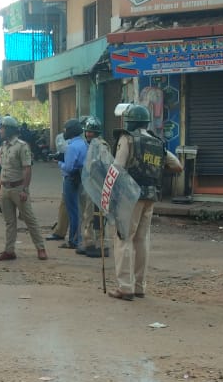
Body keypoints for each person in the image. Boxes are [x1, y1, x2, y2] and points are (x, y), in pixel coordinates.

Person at [107, 104, 182, 300]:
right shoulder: (157, 142)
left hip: (130, 196)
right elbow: (177, 166)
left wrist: (107, 195)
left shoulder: (127, 138)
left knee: (123, 239)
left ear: (130, 122)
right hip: (151, 195)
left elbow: (117, 167)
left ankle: (125, 287)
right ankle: (139, 286)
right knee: (141, 240)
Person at [0, 116, 48, 262]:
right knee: (9, 222)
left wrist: (24, 189)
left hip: (18, 189)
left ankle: (41, 248)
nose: (0, 130)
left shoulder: (22, 146)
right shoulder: (3, 146)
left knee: (29, 219)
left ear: (9, 129)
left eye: (2, 127)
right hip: (5, 188)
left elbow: (27, 169)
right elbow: (3, 169)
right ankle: (9, 251)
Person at [78, 117, 108, 258]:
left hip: (98, 186)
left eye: (91, 132)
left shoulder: (101, 145)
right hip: (90, 185)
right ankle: (89, 243)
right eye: (87, 131)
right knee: (88, 215)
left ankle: (99, 244)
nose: (88, 134)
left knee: (97, 217)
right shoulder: (90, 144)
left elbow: (105, 165)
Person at [59, 117, 87, 250]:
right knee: (78, 210)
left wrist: (59, 162)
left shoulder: (71, 147)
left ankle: (74, 240)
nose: (64, 132)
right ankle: (78, 238)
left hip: (71, 179)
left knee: (73, 211)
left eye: (66, 130)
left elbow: (68, 167)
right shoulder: (84, 144)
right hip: (81, 178)